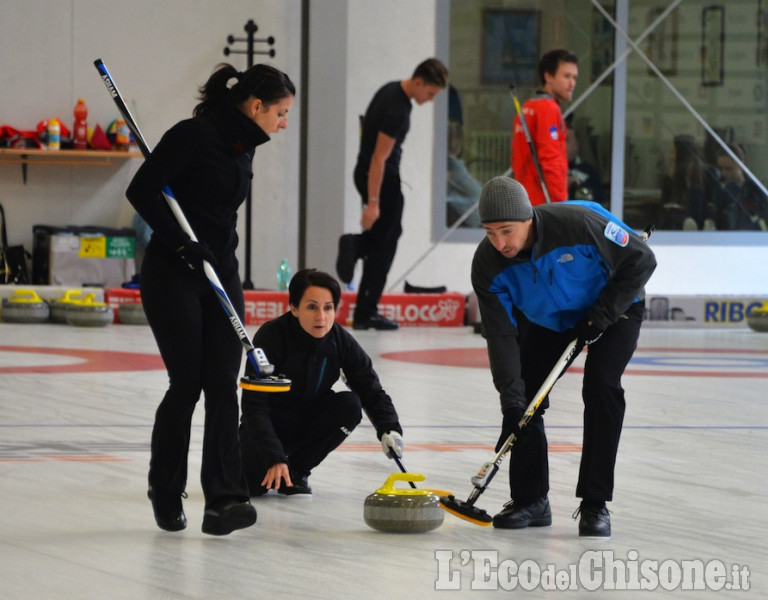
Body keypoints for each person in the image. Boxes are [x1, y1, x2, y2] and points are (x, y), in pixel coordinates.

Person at [125, 63, 295, 535]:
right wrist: (183, 243)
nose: (284, 123)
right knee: (188, 383)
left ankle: (224, 499)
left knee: (223, 382)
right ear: (256, 105)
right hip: (174, 273)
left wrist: (215, 254)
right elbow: (141, 191)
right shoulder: (192, 135)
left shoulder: (243, 146)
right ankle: (165, 486)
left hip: (221, 271)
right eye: (281, 113)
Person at [471, 176, 656, 538]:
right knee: (524, 399)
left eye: (506, 231)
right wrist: (511, 400)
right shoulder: (488, 265)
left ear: (528, 219)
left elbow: (642, 260)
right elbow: (501, 335)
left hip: (615, 307)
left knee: (601, 385)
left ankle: (595, 503)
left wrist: (601, 315)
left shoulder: (578, 224)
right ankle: (531, 500)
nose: (500, 243)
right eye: (490, 233)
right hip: (549, 319)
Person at [239, 269, 404, 496]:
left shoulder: (339, 340)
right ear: (294, 308)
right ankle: (265, 464)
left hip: (309, 423)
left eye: (328, 308)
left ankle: (298, 471)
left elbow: (370, 389)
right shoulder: (271, 337)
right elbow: (254, 405)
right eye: (312, 307)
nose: (321, 317)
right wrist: (273, 455)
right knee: (252, 487)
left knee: (350, 405)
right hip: (270, 426)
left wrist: (390, 428)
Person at [335, 58, 449, 330]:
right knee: (384, 246)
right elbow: (379, 157)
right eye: (430, 94)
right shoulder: (398, 109)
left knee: (384, 238)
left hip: (368, 174)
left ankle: (364, 311)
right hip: (382, 179)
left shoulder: (390, 90)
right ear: (419, 81)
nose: (430, 100)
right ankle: (356, 251)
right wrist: (373, 203)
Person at [511, 49, 578, 205]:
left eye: (574, 77)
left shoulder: (528, 107)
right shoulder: (548, 108)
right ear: (548, 76)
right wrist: (560, 203)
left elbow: (516, 158)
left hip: (525, 200)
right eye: (566, 76)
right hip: (544, 202)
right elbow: (551, 159)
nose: (572, 83)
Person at [713, 144, 768, 231]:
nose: (724, 173)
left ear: (741, 165)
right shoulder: (718, 188)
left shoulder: (756, 190)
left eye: (729, 169)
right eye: (721, 169)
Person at [659, 134, 708, 230]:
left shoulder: (699, 181)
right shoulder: (670, 177)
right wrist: (669, 180)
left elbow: (697, 217)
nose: (670, 157)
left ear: (682, 155)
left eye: (673, 152)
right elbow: (663, 209)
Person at [566, 122, 607, 206]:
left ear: (576, 145)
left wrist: (579, 185)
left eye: (566, 140)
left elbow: (602, 199)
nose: (561, 145)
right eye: (559, 140)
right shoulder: (547, 170)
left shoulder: (588, 170)